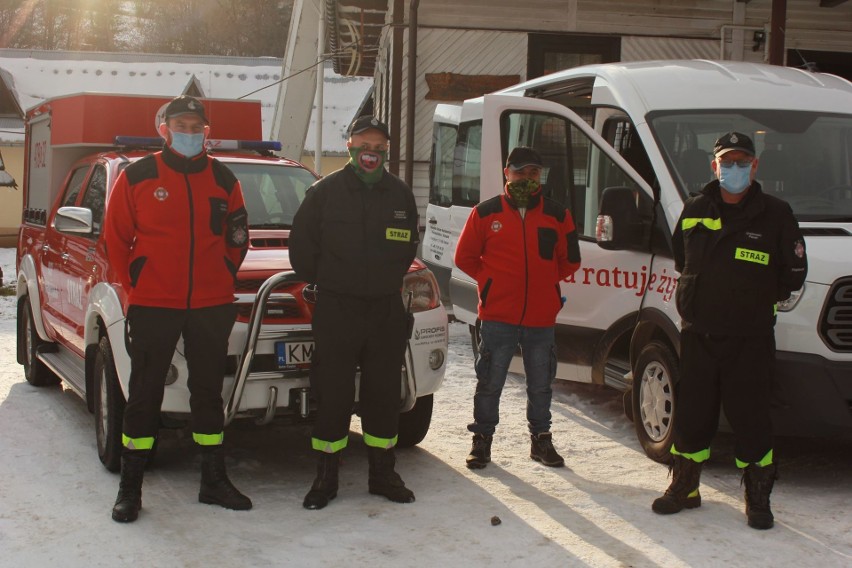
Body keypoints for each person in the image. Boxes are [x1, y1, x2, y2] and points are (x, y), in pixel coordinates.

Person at [104, 95, 252, 523]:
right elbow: (116, 239)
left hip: (211, 305)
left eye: (196, 126)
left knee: (208, 393)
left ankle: (213, 481)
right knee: (144, 396)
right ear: (165, 129)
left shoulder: (224, 179)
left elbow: (238, 237)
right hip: (153, 305)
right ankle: (130, 489)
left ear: (205, 132)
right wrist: (139, 285)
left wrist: (224, 271)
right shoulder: (138, 175)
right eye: (181, 125)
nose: (189, 132)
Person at [653, 132, 807, 530]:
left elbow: (793, 273)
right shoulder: (695, 208)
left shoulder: (775, 213)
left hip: (749, 338)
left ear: (755, 167)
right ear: (714, 165)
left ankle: (757, 497)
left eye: (742, 162)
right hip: (699, 334)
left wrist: (754, 299)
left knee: (752, 418)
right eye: (727, 161)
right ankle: (685, 487)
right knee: (692, 415)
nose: (734, 169)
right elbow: (682, 258)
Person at [289, 116, 420, 510]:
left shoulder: (399, 194)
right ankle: (325, 478)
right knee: (333, 396)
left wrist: (380, 281)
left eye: (379, 145)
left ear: (385, 151)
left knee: (383, 395)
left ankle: (383, 473)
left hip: (384, 309)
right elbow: (301, 250)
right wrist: (332, 280)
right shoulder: (324, 192)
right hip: (337, 308)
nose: (371, 151)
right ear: (349, 145)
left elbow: (407, 246)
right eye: (364, 142)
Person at [454, 146, 581, 470]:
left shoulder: (558, 214)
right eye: (521, 171)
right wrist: (492, 280)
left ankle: (541, 440)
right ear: (506, 173)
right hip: (498, 315)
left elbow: (571, 261)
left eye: (534, 172)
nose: (527, 177)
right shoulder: (485, 213)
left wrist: (545, 283)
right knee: (490, 383)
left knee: (540, 384)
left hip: (541, 317)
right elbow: (464, 258)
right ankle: (482, 441)